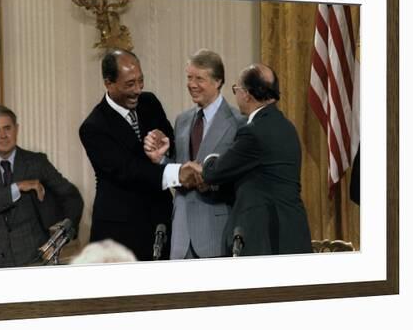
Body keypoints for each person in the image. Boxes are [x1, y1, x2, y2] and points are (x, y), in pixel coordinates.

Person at [194, 63, 312, 256]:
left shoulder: (254, 132)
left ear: (247, 94)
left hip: (266, 237)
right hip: (293, 234)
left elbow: (213, 172)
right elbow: (259, 178)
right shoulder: (288, 127)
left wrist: (208, 160)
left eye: (236, 89)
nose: (236, 95)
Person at [143, 49, 245, 259]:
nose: (191, 84)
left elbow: (240, 178)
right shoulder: (183, 120)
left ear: (218, 81)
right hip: (180, 234)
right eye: (189, 77)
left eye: (199, 78)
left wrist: (210, 181)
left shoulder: (237, 122)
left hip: (214, 231)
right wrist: (161, 159)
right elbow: (181, 171)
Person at [79, 49, 174, 261]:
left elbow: (172, 143)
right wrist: (177, 173)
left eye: (141, 81)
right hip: (120, 230)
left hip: (161, 220)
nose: (138, 90)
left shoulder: (149, 103)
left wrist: (164, 143)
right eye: (130, 84)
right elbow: (127, 171)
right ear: (108, 83)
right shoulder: (93, 127)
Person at [0, 105, 84, 268]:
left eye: (7, 128)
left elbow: (71, 195)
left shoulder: (37, 163)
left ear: (16, 129)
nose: (2, 135)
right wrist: (17, 187)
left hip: (35, 259)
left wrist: (64, 233)